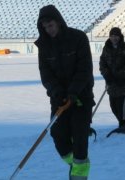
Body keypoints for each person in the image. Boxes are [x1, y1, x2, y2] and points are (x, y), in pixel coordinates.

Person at [34, 4, 95, 180]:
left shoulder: (78, 38)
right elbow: (45, 74)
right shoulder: (44, 46)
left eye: (50, 25)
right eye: (44, 27)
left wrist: (73, 92)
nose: (48, 30)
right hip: (59, 99)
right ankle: (74, 164)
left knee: (80, 137)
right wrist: (57, 92)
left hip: (80, 97)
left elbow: (84, 69)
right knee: (58, 134)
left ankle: (79, 175)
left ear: (59, 22)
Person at [99, 27, 125, 128]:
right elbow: (102, 63)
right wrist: (106, 75)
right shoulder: (106, 48)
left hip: (124, 84)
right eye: (112, 36)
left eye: (116, 36)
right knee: (114, 107)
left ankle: (123, 126)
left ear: (120, 37)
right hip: (111, 84)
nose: (114, 38)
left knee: (122, 109)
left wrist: (119, 76)